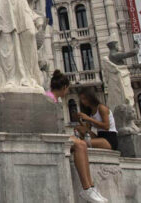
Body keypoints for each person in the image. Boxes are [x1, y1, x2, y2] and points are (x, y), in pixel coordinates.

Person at [45, 70, 108, 203]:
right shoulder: (49, 98)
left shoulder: (54, 99)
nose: (67, 91)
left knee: (82, 143)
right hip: (52, 136)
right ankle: (87, 189)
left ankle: (91, 187)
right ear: (64, 87)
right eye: (67, 89)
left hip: (57, 135)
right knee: (80, 144)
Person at [76, 87, 118, 152]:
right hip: (99, 136)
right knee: (78, 128)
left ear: (90, 98)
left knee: (81, 143)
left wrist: (89, 119)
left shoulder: (101, 108)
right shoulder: (90, 112)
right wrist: (79, 120)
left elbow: (106, 126)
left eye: (84, 99)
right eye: (81, 99)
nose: (82, 102)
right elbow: (87, 129)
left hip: (109, 139)